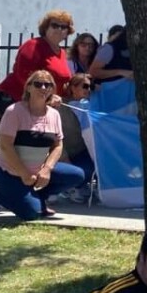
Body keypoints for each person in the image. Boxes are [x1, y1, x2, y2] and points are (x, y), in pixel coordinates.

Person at [0, 71, 84, 220]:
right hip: (8, 172)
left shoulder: (54, 115)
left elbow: (58, 145)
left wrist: (47, 169)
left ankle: (39, 198)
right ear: (28, 87)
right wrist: (23, 173)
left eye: (48, 85)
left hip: (36, 171)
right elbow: (6, 146)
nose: (43, 88)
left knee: (76, 175)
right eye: (38, 84)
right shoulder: (14, 111)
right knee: (31, 214)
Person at [0, 10, 74, 117]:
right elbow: (24, 75)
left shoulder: (62, 53)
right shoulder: (33, 45)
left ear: (67, 33)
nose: (59, 29)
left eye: (64, 27)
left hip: (43, 105)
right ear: (46, 28)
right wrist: (47, 96)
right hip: (16, 99)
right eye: (54, 25)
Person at [56, 73, 95, 203]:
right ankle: (66, 187)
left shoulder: (90, 107)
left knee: (92, 168)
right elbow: (56, 136)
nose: (88, 90)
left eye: (90, 87)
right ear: (73, 87)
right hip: (63, 154)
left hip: (81, 151)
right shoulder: (61, 108)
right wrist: (65, 159)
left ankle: (79, 185)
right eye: (84, 86)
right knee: (78, 173)